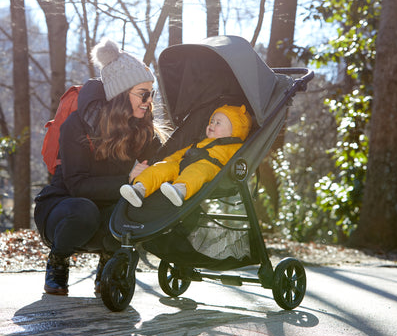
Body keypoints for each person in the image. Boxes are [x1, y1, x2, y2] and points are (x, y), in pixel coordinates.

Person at [34, 38, 165, 296]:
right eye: (143, 93)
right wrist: (127, 178)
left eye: (152, 94)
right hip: (65, 210)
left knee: (133, 213)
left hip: (109, 213)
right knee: (85, 210)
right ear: (120, 92)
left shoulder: (146, 132)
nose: (149, 101)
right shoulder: (78, 125)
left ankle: (108, 264)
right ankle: (58, 260)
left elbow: (160, 168)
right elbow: (77, 185)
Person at [119, 104, 252, 208]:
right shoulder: (200, 142)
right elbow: (180, 153)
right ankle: (139, 189)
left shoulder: (235, 147)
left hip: (209, 167)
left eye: (218, 123)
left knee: (196, 172)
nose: (212, 124)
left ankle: (180, 190)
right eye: (212, 121)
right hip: (183, 163)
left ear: (234, 132)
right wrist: (168, 161)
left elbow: (240, 161)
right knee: (160, 168)